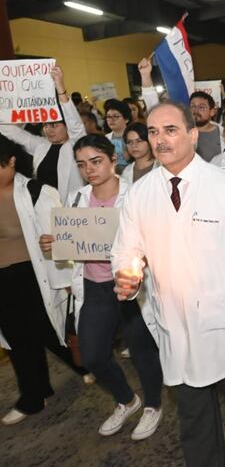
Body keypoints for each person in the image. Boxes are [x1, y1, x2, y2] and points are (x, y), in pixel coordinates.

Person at [111, 101, 225, 467]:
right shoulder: (140, 194)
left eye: (170, 130)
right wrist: (128, 278)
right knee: (193, 411)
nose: (160, 140)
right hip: (176, 324)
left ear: (193, 135)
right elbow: (125, 251)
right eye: (153, 132)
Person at [45, 135, 163, 440]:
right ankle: (127, 400)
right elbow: (75, 242)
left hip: (129, 286)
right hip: (95, 287)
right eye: (82, 165)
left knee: (142, 351)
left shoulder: (135, 196)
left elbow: (154, 241)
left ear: (114, 159)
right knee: (93, 355)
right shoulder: (77, 199)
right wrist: (55, 244)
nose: (89, 170)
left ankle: (153, 404)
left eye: (96, 161)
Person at [0, 135, 88, 425]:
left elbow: (61, 240)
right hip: (3, 279)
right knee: (17, 338)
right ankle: (33, 396)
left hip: (34, 274)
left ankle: (84, 365)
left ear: (11, 161)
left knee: (50, 329)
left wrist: (66, 279)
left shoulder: (36, 191)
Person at [0, 66, 85, 202]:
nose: (48, 130)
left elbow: (75, 125)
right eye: (45, 125)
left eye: (54, 125)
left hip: (72, 209)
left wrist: (60, 88)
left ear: (66, 126)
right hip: (44, 207)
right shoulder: (41, 145)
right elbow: (9, 131)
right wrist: (20, 114)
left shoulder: (77, 145)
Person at [121, 122, 157, 187]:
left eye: (139, 141)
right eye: (129, 142)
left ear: (149, 141)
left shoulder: (161, 168)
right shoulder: (126, 172)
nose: (134, 145)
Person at [103, 99, 132, 174]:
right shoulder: (105, 139)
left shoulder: (134, 136)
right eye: (108, 117)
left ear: (126, 119)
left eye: (115, 116)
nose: (111, 120)